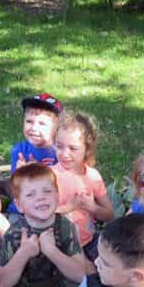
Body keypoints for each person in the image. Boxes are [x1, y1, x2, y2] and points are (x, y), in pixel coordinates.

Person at [0, 164, 89, 287]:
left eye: (47, 192)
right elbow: (3, 284)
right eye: (31, 194)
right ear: (19, 205)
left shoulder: (66, 227)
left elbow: (80, 275)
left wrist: (52, 251)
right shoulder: (14, 233)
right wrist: (24, 253)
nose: (41, 198)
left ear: (57, 196)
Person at [52, 112, 114, 261]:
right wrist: (69, 207)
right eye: (59, 146)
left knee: (114, 259)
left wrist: (92, 207)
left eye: (73, 148)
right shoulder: (49, 176)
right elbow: (40, 215)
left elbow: (109, 215)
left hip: (88, 241)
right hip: (58, 246)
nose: (65, 154)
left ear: (87, 149)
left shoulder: (92, 177)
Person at [9, 93, 62, 172]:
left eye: (42, 123)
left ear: (56, 126)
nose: (34, 128)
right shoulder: (19, 150)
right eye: (29, 121)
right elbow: (14, 182)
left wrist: (37, 172)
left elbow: (66, 180)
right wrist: (20, 173)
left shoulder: (60, 151)